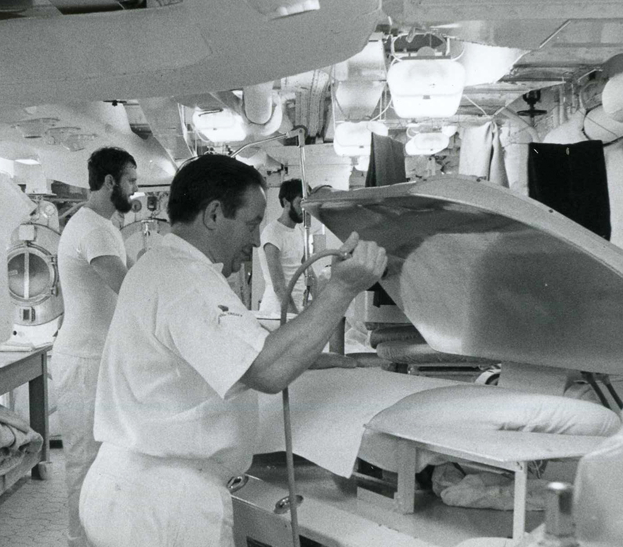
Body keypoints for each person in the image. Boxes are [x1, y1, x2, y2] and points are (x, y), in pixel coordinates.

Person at [79, 155, 387, 546]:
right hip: (165, 502)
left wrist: (315, 358)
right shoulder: (187, 278)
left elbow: (238, 345)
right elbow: (267, 370)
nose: (256, 240)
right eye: (251, 223)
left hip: (128, 485)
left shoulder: (158, 265)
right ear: (213, 215)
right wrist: (342, 290)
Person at [52, 146, 137, 547]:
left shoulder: (103, 226)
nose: (134, 189)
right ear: (109, 182)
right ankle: (79, 540)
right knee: (84, 461)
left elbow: (135, 278)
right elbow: (131, 289)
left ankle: (99, 537)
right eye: (131, 181)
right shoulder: (93, 230)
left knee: (103, 460)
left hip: (96, 357)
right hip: (85, 360)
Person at [258, 178, 308, 316]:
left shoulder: (299, 231)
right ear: (286, 202)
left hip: (296, 304)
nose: (304, 209)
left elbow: (306, 267)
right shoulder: (272, 233)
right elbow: (279, 287)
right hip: (277, 308)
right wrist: (294, 315)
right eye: (300, 203)